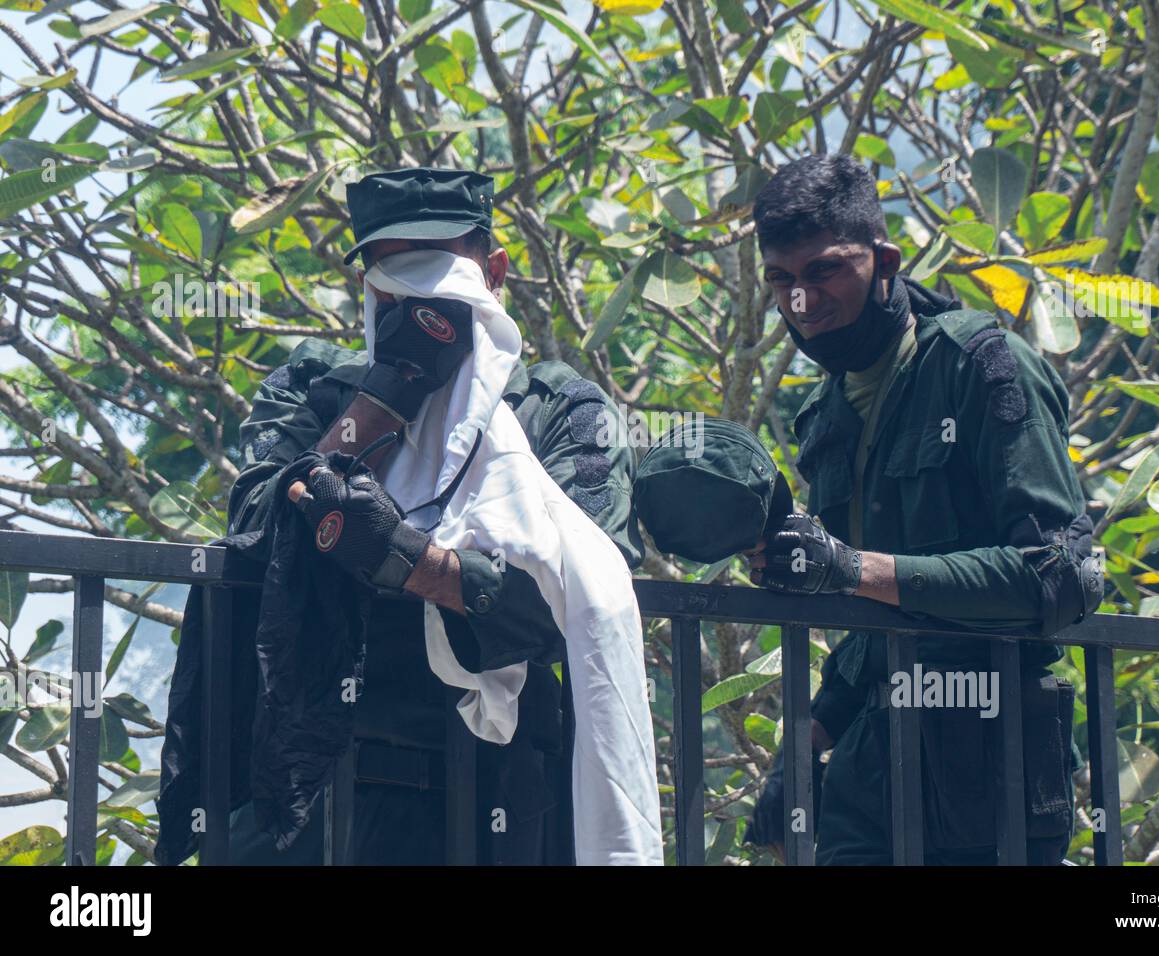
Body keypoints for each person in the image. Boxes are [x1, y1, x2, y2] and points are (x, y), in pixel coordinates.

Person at [222, 167, 648, 865]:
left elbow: (575, 598)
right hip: (318, 786)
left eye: (440, 275)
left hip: (494, 797)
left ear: (495, 273)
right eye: (398, 283)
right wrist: (391, 389)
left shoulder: (561, 412)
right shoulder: (315, 389)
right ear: (367, 290)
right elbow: (260, 535)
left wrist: (409, 561)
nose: (423, 304)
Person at [744, 154, 1101, 865]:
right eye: (781, 281)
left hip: (988, 769)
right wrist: (797, 760)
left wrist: (848, 566)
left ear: (885, 262)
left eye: (824, 272)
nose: (802, 303)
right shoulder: (825, 413)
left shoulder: (980, 365)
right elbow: (870, 627)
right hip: (871, 776)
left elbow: (1061, 577)